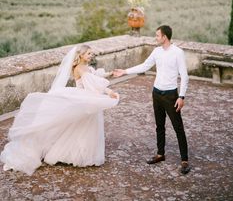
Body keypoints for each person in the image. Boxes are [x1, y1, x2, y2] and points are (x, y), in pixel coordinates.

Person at [0, 44, 119, 176]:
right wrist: (109, 91)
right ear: (81, 55)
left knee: (81, 126)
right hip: (83, 98)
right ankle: (76, 154)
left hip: (86, 98)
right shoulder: (79, 68)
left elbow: (95, 75)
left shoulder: (86, 68)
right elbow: (94, 84)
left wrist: (110, 73)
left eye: (92, 53)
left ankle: (82, 153)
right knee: (81, 126)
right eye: (89, 53)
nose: (91, 56)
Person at [113, 25, 190, 174]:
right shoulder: (157, 51)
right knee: (159, 125)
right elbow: (144, 66)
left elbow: (185, 76)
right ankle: (160, 154)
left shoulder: (178, 53)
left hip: (171, 95)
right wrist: (125, 72)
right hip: (156, 93)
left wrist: (181, 96)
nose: (156, 38)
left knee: (178, 127)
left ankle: (185, 160)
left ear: (164, 37)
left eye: (157, 36)